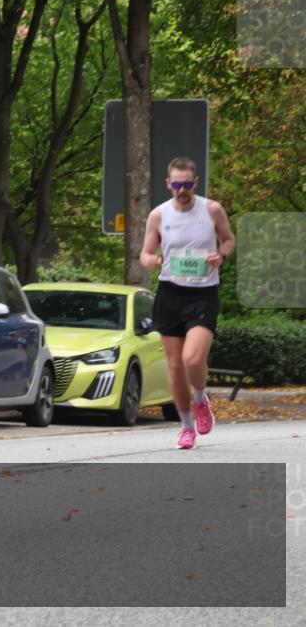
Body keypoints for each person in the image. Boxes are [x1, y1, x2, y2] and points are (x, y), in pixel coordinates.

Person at [141, 156, 236, 450]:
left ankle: (200, 399)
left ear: (195, 183)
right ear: (168, 184)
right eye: (176, 185)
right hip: (170, 292)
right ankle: (185, 427)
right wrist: (150, 260)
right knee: (175, 366)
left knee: (192, 359)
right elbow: (145, 253)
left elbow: (229, 240)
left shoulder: (212, 210)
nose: (182, 190)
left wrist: (221, 255)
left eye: (186, 184)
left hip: (203, 294)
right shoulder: (158, 215)